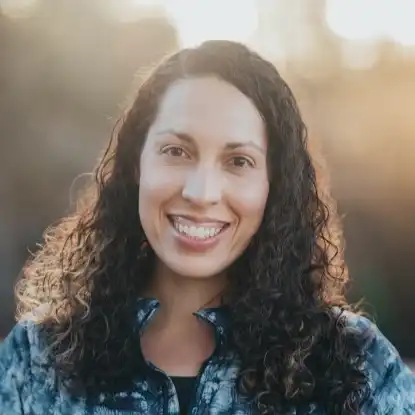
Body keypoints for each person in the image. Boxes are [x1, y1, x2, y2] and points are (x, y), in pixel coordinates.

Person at [0, 40, 414, 415]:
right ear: (134, 165)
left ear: (275, 186)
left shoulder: (353, 364)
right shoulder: (37, 362)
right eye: (176, 151)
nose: (201, 193)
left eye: (238, 161)